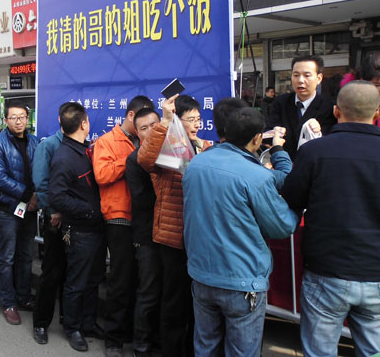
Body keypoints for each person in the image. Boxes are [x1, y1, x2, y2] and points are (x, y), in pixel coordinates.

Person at [183, 107, 298, 357]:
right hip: (242, 281)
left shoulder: (196, 163)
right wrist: (279, 151)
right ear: (257, 138)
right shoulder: (255, 176)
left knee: (205, 346)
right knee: (242, 352)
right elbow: (283, 226)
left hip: (202, 275)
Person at [281, 81, 380, 357]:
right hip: (375, 271)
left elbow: (292, 199)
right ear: (377, 112)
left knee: (319, 351)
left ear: (336, 111)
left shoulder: (314, 151)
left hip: (326, 271)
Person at [138, 95, 210, 357]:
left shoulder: (205, 147)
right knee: (174, 302)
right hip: (173, 236)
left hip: (199, 238)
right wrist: (165, 121)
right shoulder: (166, 148)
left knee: (197, 304)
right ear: (178, 121)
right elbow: (144, 159)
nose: (197, 124)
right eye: (190, 119)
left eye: (198, 119)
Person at [93, 95, 154, 357]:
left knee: (142, 281)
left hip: (145, 220)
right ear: (131, 116)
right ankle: (113, 340)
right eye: (143, 124)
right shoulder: (107, 141)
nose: (147, 128)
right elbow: (102, 174)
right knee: (120, 280)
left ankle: (133, 333)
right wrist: (131, 159)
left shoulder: (147, 141)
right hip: (119, 217)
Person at [49, 102, 105, 353]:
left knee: (93, 279)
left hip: (95, 228)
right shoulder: (64, 156)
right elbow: (57, 197)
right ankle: (73, 328)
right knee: (77, 282)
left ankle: (88, 323)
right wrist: (89, 209)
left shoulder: (84, 150)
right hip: (80, 229)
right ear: (84, 124)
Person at [0, 100, 39, 325]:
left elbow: (40, 172)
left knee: (26, 255)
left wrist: (37, 197)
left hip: (30, 209)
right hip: (7, 209)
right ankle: (9, 303)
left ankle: (24, 296)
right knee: (6, 258)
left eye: (22, 117)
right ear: (6, 120)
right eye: (14, 118)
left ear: (27, 119)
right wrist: (28, 195)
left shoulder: (35, 141)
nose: (19, 121)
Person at [31, 103, 68, 345]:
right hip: (54, 218)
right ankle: (41, 323)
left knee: (70, 272)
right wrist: (53, 211)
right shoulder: (49, 145)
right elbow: (41, 182)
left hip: (73, 219)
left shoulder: (80, 146)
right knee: (51, 271)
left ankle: (67, 318)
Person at [126, 107, 161, 357]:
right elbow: (140, 199)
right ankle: (141, 345)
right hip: (147, 234)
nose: (150, 132)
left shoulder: (174, 153)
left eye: (154, 126)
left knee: (167, 291)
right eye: (144, 128)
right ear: (137, 132)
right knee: (148, 290)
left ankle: (159, 341)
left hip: (171, 235)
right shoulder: (135, 159)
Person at [267, 55, 336, 158]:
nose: (300, 80)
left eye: (307, 75)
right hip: (285, 162)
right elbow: (267, 133)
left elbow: (332, 141)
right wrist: (274, 132)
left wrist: (318, 133)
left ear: (319, 78)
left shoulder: (328, 106)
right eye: (296, 75)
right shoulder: (280, 102)